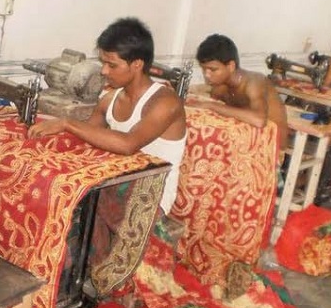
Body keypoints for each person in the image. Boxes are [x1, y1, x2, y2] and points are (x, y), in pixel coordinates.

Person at [27, 17, 186, 215]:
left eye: (112, 65)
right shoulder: (110, 99)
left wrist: (67, 123)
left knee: (77, 216)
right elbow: (86, 137)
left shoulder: (165, 102)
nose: (103, 71)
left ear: (137, 64)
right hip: (117, 183)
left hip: (151, 195)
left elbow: (128, 144)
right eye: (103, 63)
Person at [193, 34, 288, 150]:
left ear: (231, 66)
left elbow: (259, 120)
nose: (206, 75)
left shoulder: (254, 82)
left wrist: (211, 105)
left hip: (271, 148)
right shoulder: (220, 87)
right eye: (203, 69)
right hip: (245, 140)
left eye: (213, 69)